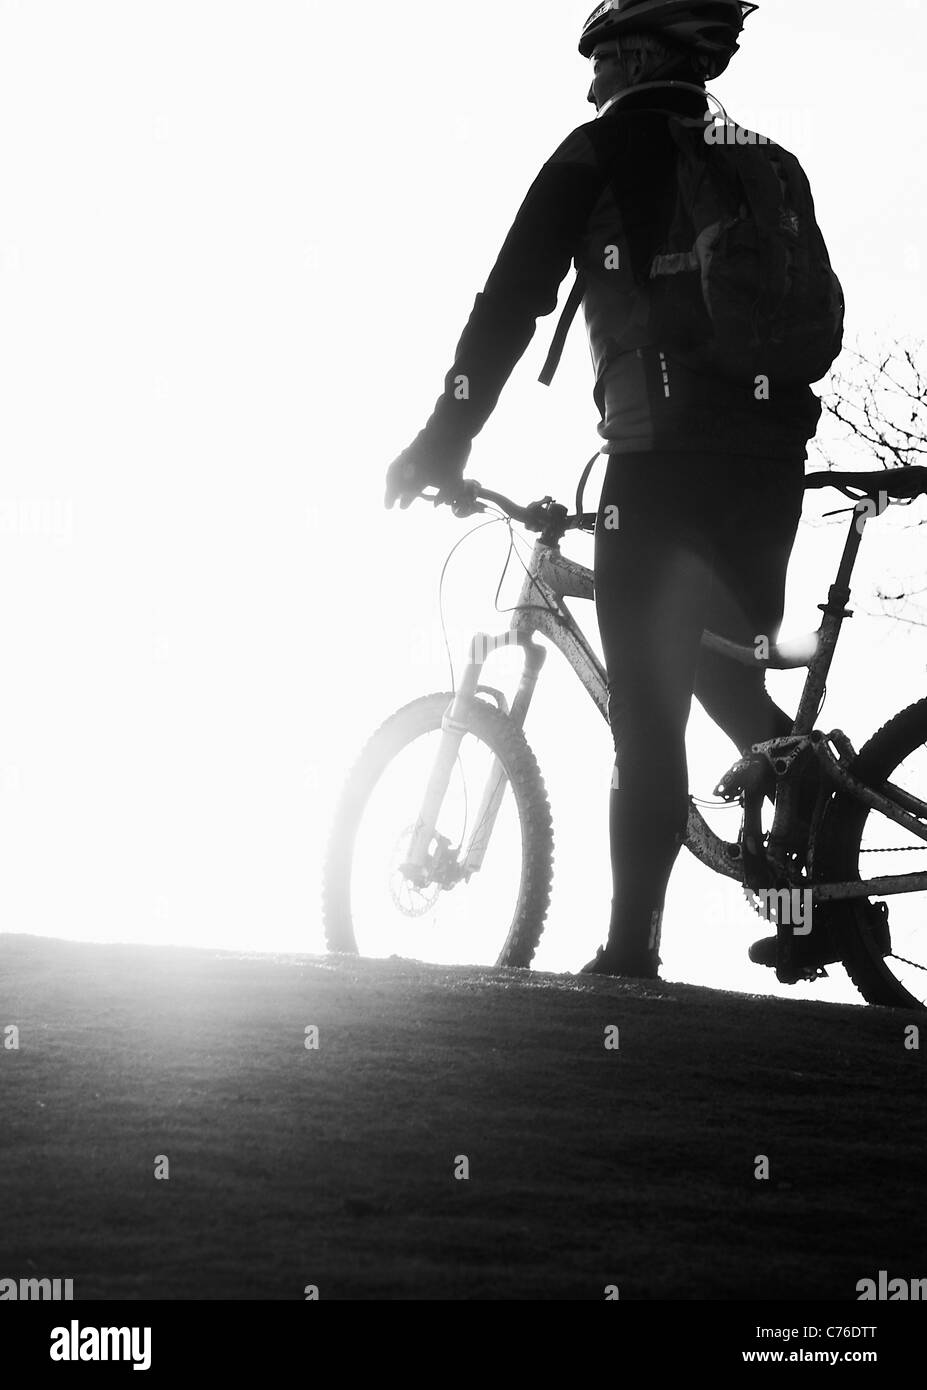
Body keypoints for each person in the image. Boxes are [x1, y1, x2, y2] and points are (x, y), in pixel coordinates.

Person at [385, 0, 832, 980]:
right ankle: (809, 886)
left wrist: (439, 441)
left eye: (597, 59)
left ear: (634, 52)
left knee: (648, 710)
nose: (589, 81)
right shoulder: (761, 158)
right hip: (771, 462)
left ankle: (630, 954)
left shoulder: (595, 154)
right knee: (721, 666)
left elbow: (508, 306)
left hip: (659, 462)